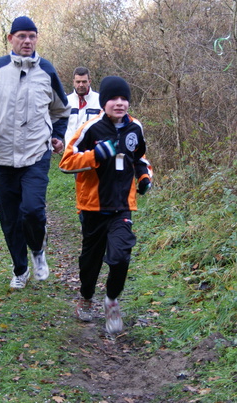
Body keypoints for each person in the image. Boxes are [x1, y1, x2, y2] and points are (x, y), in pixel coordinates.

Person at [0, 16, 70, 289]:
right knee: (10, 219)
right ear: (10, 39)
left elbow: (61, 110)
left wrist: (58, 137)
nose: (27, 41)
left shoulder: (47, 70)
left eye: (32, 36)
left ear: (37, 39)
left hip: (36, 153)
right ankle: (20, 269)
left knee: (33, 210)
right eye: (22, 36)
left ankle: (37, 249)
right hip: (2, 155)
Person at [58, 76, 153, 334]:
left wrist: (144, 176)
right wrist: (95, 155)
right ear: (104, 102)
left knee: (121, 255)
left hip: (122, 206)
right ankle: (86, 298)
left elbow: (140, 156)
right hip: (92, 207)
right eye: (114, 99)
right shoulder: (91, 129)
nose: (120, 103)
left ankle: (112, 301)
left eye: (124, 99)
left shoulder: (136, 128)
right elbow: (66, 162)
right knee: (91, 261)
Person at [64, 67, 101, 147]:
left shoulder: (100, 100)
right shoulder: (66, 101)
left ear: (89, 82)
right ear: (73, 82)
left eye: (84, 82)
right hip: (71, 150)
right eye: (78, 82)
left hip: (93, 151)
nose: (81, 85)